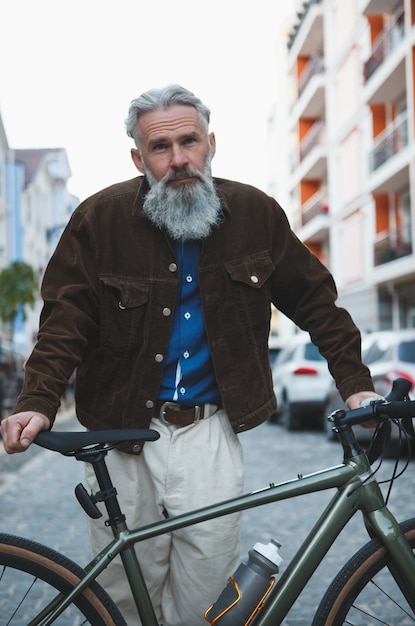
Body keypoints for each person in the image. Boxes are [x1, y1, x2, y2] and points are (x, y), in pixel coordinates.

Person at [0, 84, 381, 626]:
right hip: (119, 433)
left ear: (211, 143)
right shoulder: (98, 219)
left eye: (189, 141)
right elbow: (65, 321)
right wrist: (37, 400)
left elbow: (317, 304)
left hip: (209, 434)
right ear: (138, 157)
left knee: (206, 606)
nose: (178, 159)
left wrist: (356, 385)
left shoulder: (256, 214)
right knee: (120, 603)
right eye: (160, 147)